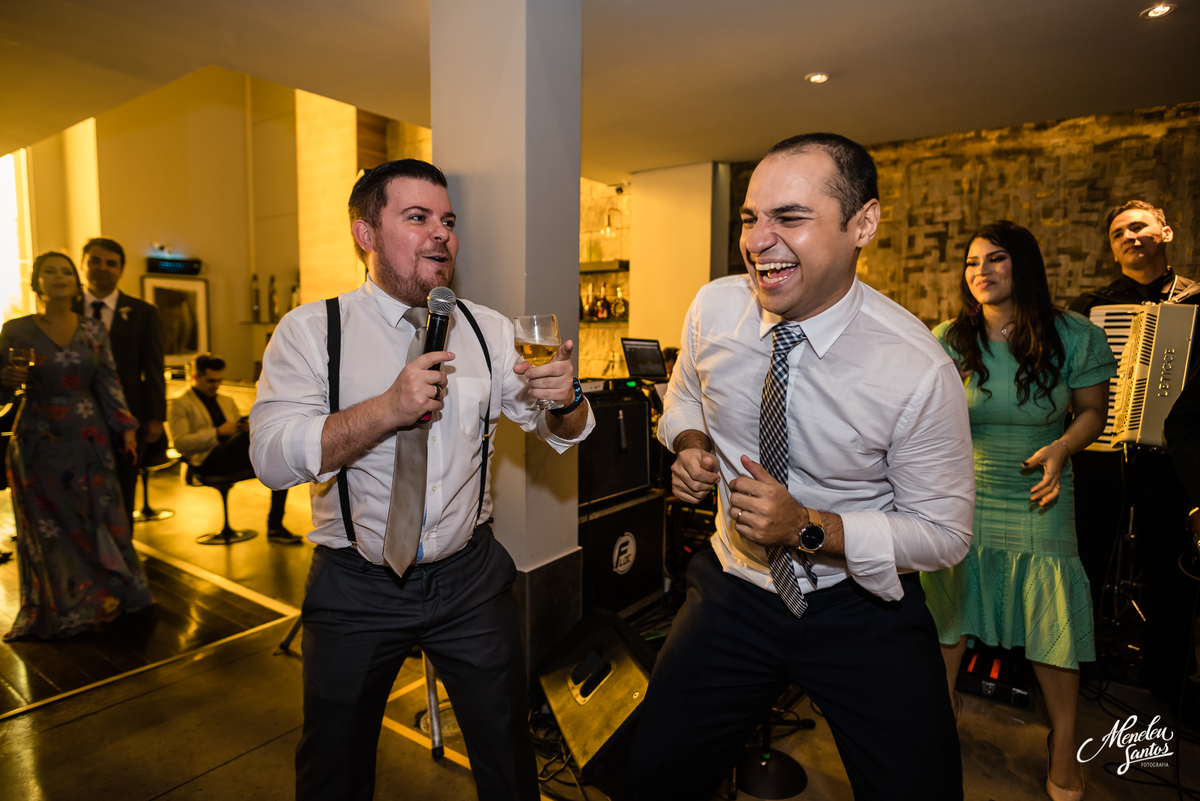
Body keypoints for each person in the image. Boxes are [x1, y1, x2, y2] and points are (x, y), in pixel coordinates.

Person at [628, 133, 975, 801]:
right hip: (733, 588)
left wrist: (808, 527)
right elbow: (685, 397)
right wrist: (691, 442)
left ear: (862, 224)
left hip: (861, 607)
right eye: (750, 218)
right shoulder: (714, 308)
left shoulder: (917, 369)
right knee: (656, 773)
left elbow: (944, 533)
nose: (759, 241)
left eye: (790, 217)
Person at [250, 159, 594, 801]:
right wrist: (387, 408)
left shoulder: (490, 330)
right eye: (417, 217)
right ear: (366, 234)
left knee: (507, 751)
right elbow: (270, 458)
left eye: (448, 221)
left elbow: (562, 432)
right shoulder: (312, 331)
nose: (442, 234)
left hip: (471, 580)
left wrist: (566, 399)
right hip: (356, 585)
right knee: (334, 765)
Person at [921, 221, 1115, 801]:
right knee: (945, 615)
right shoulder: (948, 338)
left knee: (1052, 625)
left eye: (996, 258)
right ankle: (938, 717)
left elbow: (1092, 413)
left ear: (1023, 265)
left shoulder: (1075, 334)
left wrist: (1062, 448)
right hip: (965, 493)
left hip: (1040, 494)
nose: (981, 271)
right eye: (972, 261)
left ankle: (1064, 742)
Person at [1068, 201, 1199, 721]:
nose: (1129, 236)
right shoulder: (1094, 307)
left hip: (1170, 460)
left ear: (1165, 231)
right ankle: (1079, 659)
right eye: (1119, 231)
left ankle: (1170, 679)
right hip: (1103, 454)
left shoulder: (1195, 300)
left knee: (1171, 569)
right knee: (1087, 557)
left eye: (1139, 226)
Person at [1, 252, 153, 640]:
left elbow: (108, 380)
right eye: (49, 271)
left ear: (75, 281)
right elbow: (2, 392)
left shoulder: (93, 329)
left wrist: (127, 428)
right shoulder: (16, 330)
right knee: (50, 525)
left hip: (89, 434)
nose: (60, 277)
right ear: (36, 282)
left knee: (99, 513)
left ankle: (110, 595)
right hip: (38, 438)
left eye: (66, 271)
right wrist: (5, 380)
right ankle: (65, 606)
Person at [82, 237, 167, 532]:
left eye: (111, 263)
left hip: (127, 417)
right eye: (94, 260)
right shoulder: (65, 309)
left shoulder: (143, 313)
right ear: (83, 264)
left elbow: (153, 368)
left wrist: (156, 416)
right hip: (76, 416)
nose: (102, 268)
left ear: (121, 270)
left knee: (122, 489)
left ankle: (122, 549)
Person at [168, 353, 300, 543]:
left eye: (219, 380)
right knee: (258, 443)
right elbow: (180, 443)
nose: (215, 385)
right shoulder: (180, 403)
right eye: (210, 381)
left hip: (232, 455)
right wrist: (217, 432)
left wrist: (243, 426)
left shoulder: (226, 400)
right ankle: (275, 527)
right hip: (206, 461)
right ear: (196, 377)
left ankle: (275, 526)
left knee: (279, 460)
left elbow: (236, 430)